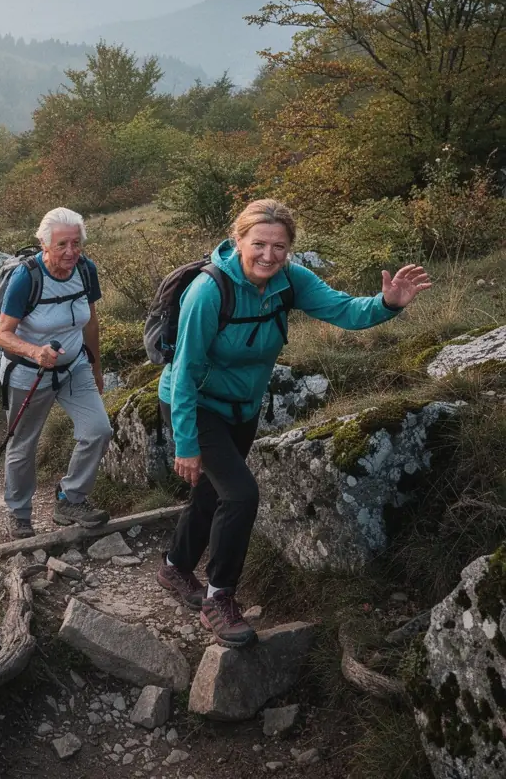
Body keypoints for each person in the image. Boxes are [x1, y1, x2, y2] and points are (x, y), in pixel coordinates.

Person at [156, 198, 431, 649]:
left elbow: (343, 310)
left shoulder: (290, 281)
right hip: (193, 404)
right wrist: (185, 443)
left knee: (214, 490)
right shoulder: (210, 292)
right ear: (238, 240)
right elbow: (184, 371)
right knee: (241, 494)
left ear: (290, 249)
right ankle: (218, 598)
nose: (268, 255)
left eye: (279, 246)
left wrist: (387, 303)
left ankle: (174, 567)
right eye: (259, 244)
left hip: (242, 408)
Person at [0, 207, 112, 539]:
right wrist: (35, 351)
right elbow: (1, 334)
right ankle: (19, 513)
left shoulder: (85, 271)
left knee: (99, 430)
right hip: (28, 373)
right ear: (45, 244)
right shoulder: (26, 278)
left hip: (75, 367)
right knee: (23, 444)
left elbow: (90, 322)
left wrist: (96, 366)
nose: (71, 252)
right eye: (62, 244)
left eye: (76, 243)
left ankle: (70, 498)